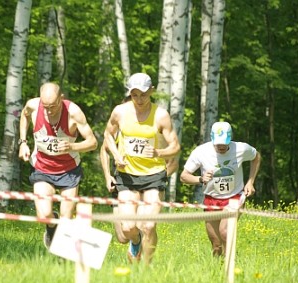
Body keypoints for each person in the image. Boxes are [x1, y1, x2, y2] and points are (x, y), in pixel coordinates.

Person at [103, 73, 180, 264]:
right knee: (128, 227)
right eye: (135, 94)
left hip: (153, 176)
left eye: (143, 94)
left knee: (148, 225)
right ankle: (135, 242)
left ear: (151, 91)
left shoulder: (161, 115)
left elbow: (175, 147)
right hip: (127, 175)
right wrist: (116, 154)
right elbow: (107, 135)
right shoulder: (120, 111)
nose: (139, 99)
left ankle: (146, 267)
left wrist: (157, 153)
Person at [18, 82, 98, 249]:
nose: (48, 111)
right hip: (42, 168)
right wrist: (23, 142)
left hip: (68, 171)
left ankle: (62, 257)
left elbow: (93, 143)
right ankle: (52, 226)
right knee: (44, 215)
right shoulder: (33, 106)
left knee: (66, 218)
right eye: (45, 106)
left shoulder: (73, 113)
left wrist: (72, 146)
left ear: (61, 98)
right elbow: (24, 116)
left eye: (53, 106)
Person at [180, 121, 261, 257]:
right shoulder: (201, 152)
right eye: (218, 143)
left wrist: (250, 182)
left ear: (230, 138)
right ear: (212, 139)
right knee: (216, 245)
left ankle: (231, 269)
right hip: (211, 199)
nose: (221, 146)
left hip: (235, 197)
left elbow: (256, 157)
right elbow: (184, 176)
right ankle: (218, 273)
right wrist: (200, 179)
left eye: (225, 142)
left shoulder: (241, 148)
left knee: (225, 231)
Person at [100, 133, 179, 244]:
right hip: (124, 182)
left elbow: (173, 163)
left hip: (150, 184)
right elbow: (104, 149)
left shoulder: (154, 130)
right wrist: (108, 176)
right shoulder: (121, 125)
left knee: (145, 226)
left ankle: (143, 257)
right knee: (123, 236)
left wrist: (159, 178)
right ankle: (137, 242)